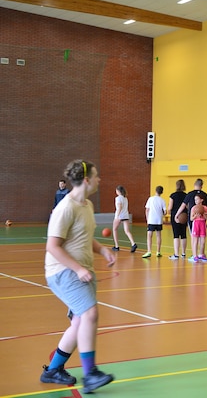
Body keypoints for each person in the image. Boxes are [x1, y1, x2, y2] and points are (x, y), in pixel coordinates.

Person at [39, 160, 115, 393]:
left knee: (80, 321)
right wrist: (78, 269)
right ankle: (90, 374)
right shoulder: (66, 208)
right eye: (96, 175)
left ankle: (53, 370)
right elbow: (53, 246)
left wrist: (101, 249)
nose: (99, 179)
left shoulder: (87, 206)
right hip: (63, 271)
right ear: (86, 180)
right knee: (90, 314)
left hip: (82, 270)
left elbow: (83, 237)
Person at [176, 179, 207, 262]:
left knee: (195, 238)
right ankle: (197, 254)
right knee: (199, 238)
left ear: (195, 184)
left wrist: (177, 215)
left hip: (198, 220)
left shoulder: (190, 194)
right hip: (196, 220)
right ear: (201, 186)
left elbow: (183, 205)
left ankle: (198, 254)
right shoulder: (205, 194)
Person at [142, 185, 166, 259]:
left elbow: (147, 210)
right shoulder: (162, 200)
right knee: (158, 235)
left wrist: (147, 219)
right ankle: (158, 251)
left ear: (155, 191)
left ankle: (149, 251)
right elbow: (165, 212)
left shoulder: (151, 199)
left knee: (149, 235)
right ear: (162, 192)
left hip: (151, 220)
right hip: (159, 220)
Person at [112, 185, 137, 252]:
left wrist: (117, 216)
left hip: (120, 216)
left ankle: (116, 246)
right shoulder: (125, 198)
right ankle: (133, 243)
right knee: (127, 231)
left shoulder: (118, 198)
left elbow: (119, 207)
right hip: (126, 215)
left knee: (114, 229)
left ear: (118, 191)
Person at [168, 179, 187, 259]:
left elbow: (170, 207)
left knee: (176, 235)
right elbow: (187, 206)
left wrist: (169, 212)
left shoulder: (173, 195)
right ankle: (183, 253)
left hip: (175, 216)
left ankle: (176, 254)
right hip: (184, 216)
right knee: (183, 234)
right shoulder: (186, 195)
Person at [189, 194, 207, 263]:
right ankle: (195, 256)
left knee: (203, 241)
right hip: (196, 223)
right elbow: (191, 219)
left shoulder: (205, 208)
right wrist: (195, 216)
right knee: (196, 240)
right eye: (195, 200)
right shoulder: (193, 208)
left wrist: (203, 214)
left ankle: (201, 254)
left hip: (203, 223)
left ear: (201, 200)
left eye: (197, 199)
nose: (196, 201)